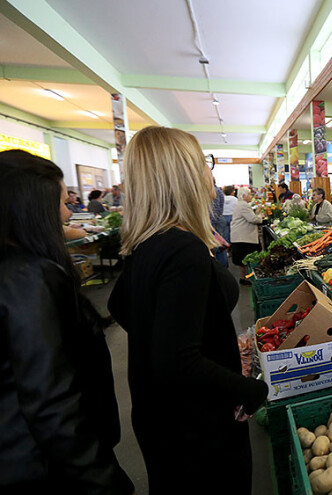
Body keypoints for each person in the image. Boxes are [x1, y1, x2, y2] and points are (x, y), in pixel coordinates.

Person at [107, 127, 269, 494]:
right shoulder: (182, 251)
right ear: (182, 174)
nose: (209, 173)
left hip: (159, 416)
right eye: (203, 163)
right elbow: (177, 361)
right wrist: (248, 389)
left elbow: (120, 305)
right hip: (197, 427)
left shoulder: (146, 243)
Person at [0, 150, 133, 494]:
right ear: (33, 209)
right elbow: (51, 400)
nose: (67, 212)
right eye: (60, 202)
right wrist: (102, 479)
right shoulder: (30, 279)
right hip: (42, 467)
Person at [230, 187, 264, 285]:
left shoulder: (240, 205)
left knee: (242, 260)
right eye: (250, 195)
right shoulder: (244, 205)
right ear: (244, 196)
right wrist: (260, 216)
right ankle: (246, 278)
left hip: (240, 236)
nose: (251, 196)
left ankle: (244, 277)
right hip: (243, 238)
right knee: (246, 258)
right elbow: (253, 219)